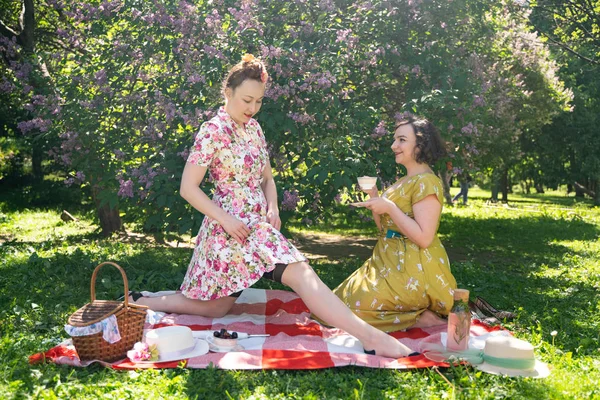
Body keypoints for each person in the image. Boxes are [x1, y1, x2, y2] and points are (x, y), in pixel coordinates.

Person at [129, 54, 411, 358]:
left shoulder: (255, 129)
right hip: (231, 230)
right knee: (220, 306)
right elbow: (188, 188)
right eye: (247, 100)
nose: (252, 108)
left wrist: (273, 206)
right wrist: (225, 220)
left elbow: (267, 179)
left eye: (259, 102)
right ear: (228, 92)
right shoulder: (212, 131)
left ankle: (370, 337)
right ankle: (147, 302)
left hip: (257, 226)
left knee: (284, 280)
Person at [329, 116, 457, 332]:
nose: (393, 146)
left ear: (420, 144)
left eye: (401, 140)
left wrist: (390, 207)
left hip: (410, 269)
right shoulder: (405, 180)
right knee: (334, 304)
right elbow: (385, 230)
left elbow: (425, 238)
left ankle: (420, 318)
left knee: (352, 312)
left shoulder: (426, 181)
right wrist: (376, 197)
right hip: (385, 262)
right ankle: (411, 315)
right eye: (395, 140)